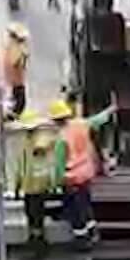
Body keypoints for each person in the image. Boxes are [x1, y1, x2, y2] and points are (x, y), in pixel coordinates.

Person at [49, 98, 116, 248]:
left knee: (76, 212)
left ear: (55, 121)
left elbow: (59, 164)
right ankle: (93, 231)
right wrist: (110, 110)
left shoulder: (61, 139)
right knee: (85, 205)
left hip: (71, 178)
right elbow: (97, 120)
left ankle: (82, 239)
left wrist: (56, 182)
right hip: (86, 172)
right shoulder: (81, 124)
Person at [14, 109, 62, 252]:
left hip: (38, 186)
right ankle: (34, 240)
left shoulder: (40, 139)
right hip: (29, 186)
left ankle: (38, 244)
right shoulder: (26, 142)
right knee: (31, 215)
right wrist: (17, 185)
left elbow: (45, 147)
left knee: (36, 216)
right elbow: (21, 165)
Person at [0, 23, 31, 116]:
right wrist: (23, 55)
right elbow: (15, 62)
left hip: (14, 80)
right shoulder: (15, 47)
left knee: (17, 101)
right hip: (16, 80)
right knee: (19, 103)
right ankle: (13, 115)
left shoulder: (10, 45)